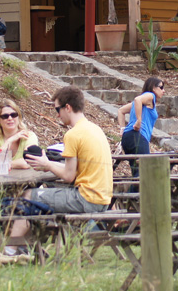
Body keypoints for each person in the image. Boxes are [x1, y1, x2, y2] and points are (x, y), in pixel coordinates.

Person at [21, 87, 113, 215]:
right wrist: (48, 164)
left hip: (85, 200)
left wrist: (48, 165)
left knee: (28, 195)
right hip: (103, 200)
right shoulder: (95, 129)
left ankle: (24, 235)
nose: (58, 115)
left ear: (68, 108)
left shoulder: (73, 134)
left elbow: (68, 176)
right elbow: (73, 168)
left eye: (58, 109)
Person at [119, 77, 164, 175]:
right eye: (161, 87)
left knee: (137, 173)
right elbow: (137, 99)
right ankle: (131, 191)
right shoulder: (151, 96)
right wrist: (139, 120)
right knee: (144, 173)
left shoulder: (144, 101)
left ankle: (131, 190)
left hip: (128, 138)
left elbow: (121, 111)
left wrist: (122, 129)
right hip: (137, 136)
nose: (163, 91)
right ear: (153, 88)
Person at [0, 99, 39, 171]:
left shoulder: (29, 136)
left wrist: (4, 163)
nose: (10, 118)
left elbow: (29, 161)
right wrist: (9, 141)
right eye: (5, 116)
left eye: (14, 115)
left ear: (19, 117)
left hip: (27, 180)